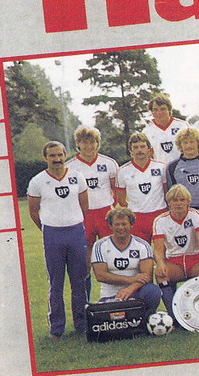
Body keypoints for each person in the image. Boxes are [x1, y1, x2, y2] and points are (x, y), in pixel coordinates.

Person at [27, 140, 89, 338]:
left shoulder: (77, 177)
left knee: (79, 281)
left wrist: (73, 224)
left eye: (60, 155)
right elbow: (34, 212)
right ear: (45, 158)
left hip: (76, 232)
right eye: (52, 156)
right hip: (53, 235)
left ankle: (81, 323)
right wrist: (49, 228)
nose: (57, 159)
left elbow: (84, 207)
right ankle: (57, 328)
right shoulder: (37, 181)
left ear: (65, 155)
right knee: (56, 283)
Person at [67, 126, 118, 296]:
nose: (88, 146)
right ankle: (85, 301)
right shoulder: (70, 167)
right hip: (83, 216)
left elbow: (115, 190)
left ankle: (116, 297)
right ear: (78, 144)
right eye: (84, 143)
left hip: (106, 215)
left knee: (111, 255)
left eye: (92, 142)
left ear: (97, 143)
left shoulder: (109, 163)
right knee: (84, 260)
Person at [151, 184, 199, 320]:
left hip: (194, 258)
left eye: (182, 200)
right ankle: (174, 317)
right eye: (174, 200)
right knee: (161, 274)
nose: (178, 203)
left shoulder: (196, 215)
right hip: (175, 261)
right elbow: (158, 249)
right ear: (168, 203)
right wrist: (161, 264)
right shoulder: (160, 220)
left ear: (188, 201)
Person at [91, 206, 162, 321]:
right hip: (111, 296)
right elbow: (100, 275)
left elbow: (147, 276)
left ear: (131, 225)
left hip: (136, 293)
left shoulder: (142, 245)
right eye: (117, 224)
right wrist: (131, 279)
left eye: (124, 224)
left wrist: (130, 289)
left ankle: (146, 321)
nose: (121, 228)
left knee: (153, 291)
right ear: (110, 226)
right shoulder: (100, 245)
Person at [114, 133, 167, 243]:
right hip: (137, 218)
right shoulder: (122, 171)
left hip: (160, 214)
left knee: (164, 252)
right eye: (135, 147)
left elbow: (166, 192)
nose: (139, 150)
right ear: (130, 151)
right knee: (141, 254)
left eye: (142, 146)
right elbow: (121, 199)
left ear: (149, 149)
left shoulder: (161, 167)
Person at [165, 127, 199, 218]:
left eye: (192, 142)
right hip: (187, 210)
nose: (188, 146)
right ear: (180, 145)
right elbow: (172, 192)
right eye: (185, 142)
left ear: (198, 143)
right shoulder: (172, 167)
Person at [142, 93, 186, 167]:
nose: (159, 113)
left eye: (163, 109)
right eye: (155, 110)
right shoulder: (146, 132)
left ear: (169, 110)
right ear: (151, 112)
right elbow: (147, 156)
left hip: (182, 169)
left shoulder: (182, 126)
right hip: (160, 172)